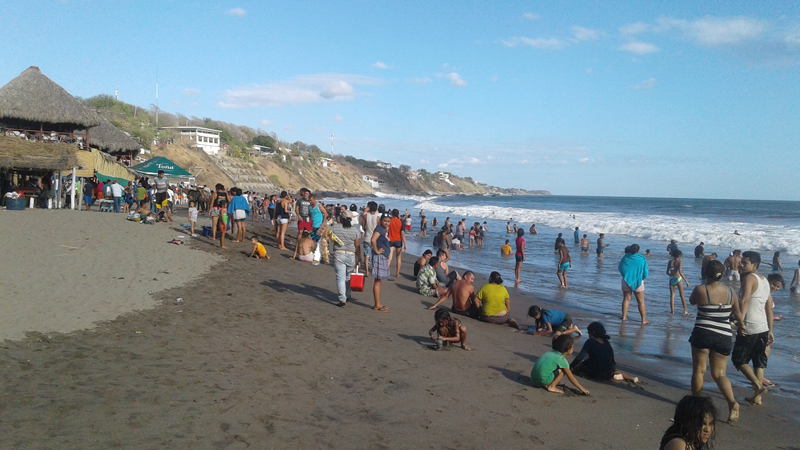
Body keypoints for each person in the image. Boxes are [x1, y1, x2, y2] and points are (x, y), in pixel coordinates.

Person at [688, 260, 745, 423]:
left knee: (699, 370)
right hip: (723, 335)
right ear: (723, 273)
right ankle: (732, 403)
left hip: (703, 333)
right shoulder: (730, 292)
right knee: (720, 374)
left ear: (706, 273)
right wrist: (742, 326)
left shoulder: (701, 289)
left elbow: (692, 302)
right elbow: (738, 313)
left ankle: (696, 406)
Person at [732, 251, 774, 406]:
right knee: (758, 360)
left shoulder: (749, 278)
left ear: (755, 265)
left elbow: (745, 300)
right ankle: (757, 398)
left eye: (745, 263)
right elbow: (769, 307)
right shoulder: (764, 280)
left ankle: (758, 386)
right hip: (762, 326)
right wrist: (770, 329)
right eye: (741, 262)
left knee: (738, 358)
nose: (741, 265)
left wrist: (740, 322)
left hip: (751, 325)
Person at [570, 322, 637, 383]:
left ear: (593, 333)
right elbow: (611, 358)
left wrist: (571, 366)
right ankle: (626, 377)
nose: (588, 336)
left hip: (597, 375)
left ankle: (616, 376)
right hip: (609, 373)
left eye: (589, 333)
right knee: (599, 362)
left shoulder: (590, 342)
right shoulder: (606, 342)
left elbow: (580, 357)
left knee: (580, 368)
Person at [331, 209, 361, 307]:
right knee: (348, 277)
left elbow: (329, 236)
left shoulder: (335, 227)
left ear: (342, 218)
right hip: (351, 255)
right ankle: (347, 295)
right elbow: (357, 245)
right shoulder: (355, 231)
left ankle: (342, 298)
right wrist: (359, 258)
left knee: (340, 277)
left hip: (339, 254)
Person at [619, 244, 649, 324]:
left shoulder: (625, 257)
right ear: (638, 251)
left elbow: (620, 267)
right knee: (641, 301)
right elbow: (645, 271)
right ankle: (643, 320)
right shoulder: (641, 258)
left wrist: (626, 276)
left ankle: (624, 317)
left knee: (626, 299)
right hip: (638, 282)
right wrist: (641, 278)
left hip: (626, 280)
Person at [369, 214, 392, 312]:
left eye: (388, 221)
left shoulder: (382, 229)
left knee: (379, 281)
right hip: (380, 257)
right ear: (381, 220)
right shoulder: (379, 229)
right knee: (378, 281)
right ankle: (377, 304)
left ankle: (377, 304)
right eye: (385, 221)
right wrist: (376, 250)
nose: (387, 223)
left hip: (382, 257)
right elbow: (373, 240)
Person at [667, 250, 690, 315]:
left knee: (672, 296)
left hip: (671, 279)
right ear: (679, 256)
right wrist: (686, 281)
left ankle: (672, 311)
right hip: (678, 279)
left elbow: (667, 272)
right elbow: (680, 272)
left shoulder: (670, 262)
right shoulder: (680, 262)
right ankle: (685, 311)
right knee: (682, 295)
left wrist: (671, 276)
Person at [360, 201, 380, 275]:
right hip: (375, 238)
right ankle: (374, 270)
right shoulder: (378, 218)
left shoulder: (365, 216)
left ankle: (367, 272)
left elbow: (363, 226)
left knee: (367, 256)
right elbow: (378, 229)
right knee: (374, 255)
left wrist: (365, 230)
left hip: (367, 237)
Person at [386, 209, 406, 278]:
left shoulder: (389, 221)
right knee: (398, 258)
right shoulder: (401, 222)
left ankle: (386, 271)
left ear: (392, 214)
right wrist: (405, 244)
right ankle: (397, 274)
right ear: (398, 214)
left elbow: (387, 230)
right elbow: (402, 233)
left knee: (390, 257)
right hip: (398, 241)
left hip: (390, 240)